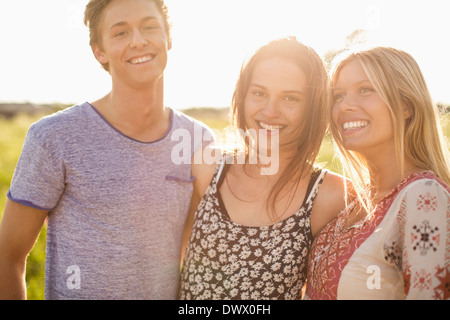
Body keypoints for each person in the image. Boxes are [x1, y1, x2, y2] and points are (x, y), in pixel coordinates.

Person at [0, 0, 212, 300]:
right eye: (121, 33)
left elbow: (186, 257)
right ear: (99, 51)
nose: (139, 40)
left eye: (149, 27)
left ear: (168, 38)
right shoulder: (54, 137)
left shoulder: (198, 140)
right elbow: (7, 258)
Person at [179, 37, 347, 300]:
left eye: (290, 98)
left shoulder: (331, 196)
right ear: (243, 96)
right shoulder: (207, 168)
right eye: (259, 93)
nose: (270, 111)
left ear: (313, 108)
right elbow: (171, 263)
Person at [305, 46, 450, 300]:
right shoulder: (354, 200)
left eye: (365, 90)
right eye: (338, 95)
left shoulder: (424, 197)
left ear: (406, 106)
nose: (345, 106)